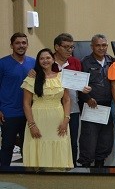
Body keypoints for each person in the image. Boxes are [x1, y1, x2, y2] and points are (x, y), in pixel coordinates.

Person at [21, 49, 72, 168]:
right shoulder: (31, 78)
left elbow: (67, 100)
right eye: (42, 58)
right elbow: (26, 104)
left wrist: (66, 120)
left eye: (48, 58)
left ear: (53, 59)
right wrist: (32, 125)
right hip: (38, 120)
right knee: (38, 145)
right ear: (38, 61)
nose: (45, 61)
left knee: (60, 146)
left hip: (58, 119)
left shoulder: (61, 77)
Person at [78, 34, 114, 168]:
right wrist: (87, 99)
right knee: (89, 139)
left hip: (108, 106)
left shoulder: (111, 61)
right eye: (98, 45)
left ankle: (100, 166)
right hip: (92, 106)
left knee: (106, 140)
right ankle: (86, 167)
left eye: (104, 45)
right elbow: (79, 85)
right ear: (92, 46)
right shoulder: (85, 62)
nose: (101, 48)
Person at [51, 33, 87, 165]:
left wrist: (85, 89)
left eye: (72, 47)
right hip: (52, 108)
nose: (69, 50)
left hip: (72, 108)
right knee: (55, 139)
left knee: (72, 141)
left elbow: (80, 84)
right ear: (56, 47)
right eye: (66, 47)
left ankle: (71, 168)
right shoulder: (48, 61)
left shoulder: (76, 62)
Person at [0, 33, 35, 167]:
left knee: (28, 148)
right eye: (18, 43)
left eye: (24, 43)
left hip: (29, 113)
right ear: (11, 45)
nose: (21, 46)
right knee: (7, 147)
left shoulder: (33, 63)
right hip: (9, 113)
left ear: (27, 45)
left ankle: (28, 177)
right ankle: (4, 177)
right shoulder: (2, 63)